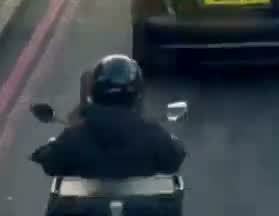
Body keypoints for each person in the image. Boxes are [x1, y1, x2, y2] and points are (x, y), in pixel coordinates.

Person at [30, 55, 186, 179]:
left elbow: (50, 164)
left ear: (95, 91)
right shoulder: (153, 135)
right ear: (137, 94)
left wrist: (43, 152)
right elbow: (174, 160)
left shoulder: (74, 137)